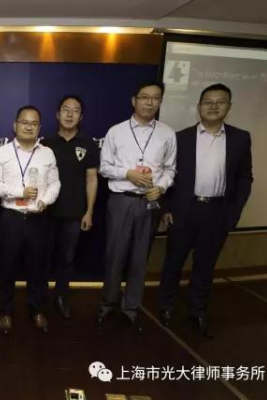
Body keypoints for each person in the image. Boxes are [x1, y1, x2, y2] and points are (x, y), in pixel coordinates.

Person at [158, 83, 253, 337]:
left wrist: (233, 213)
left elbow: (244, 178)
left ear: (229, 107)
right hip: (183, 210)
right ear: (198, 107)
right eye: (208, 102)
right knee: (173, 263)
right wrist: (166, 208)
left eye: (219, 102)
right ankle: (166, 307)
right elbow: (166, 174)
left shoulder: (240, 138)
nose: (213, 106)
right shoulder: (180, 138)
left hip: (217, 212)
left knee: (205, 266)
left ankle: (197, 311)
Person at [98, 81, 177, 334]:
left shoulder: (167, 134)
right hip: (121, 200)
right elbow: (104, 167)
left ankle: (131, 309)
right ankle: (107, 304)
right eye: (144, 97)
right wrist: (128, 173)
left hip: (149, 202)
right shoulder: (116, 131)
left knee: (140, 259)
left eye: (156, 98)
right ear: (134, 100)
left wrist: (161, 187)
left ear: (160, 101)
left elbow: (170, 169)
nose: (149, 102)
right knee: (114, 256)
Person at [0, 105, 61, 333]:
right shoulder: (2, 153)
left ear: (39, 127)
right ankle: (5, 312)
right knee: (7, 266)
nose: (29, 127)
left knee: (38, 267)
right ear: (15, 125)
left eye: (34, 123)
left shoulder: (47, 153)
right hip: (12, 218)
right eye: (24, 122)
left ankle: (36, 310)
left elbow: (55, 183)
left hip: (39, 218)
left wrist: (44, 201)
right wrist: (21, 192)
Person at [41, 95, 99, 319]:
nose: (70, 114)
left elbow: (92, 179)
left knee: (67, 259)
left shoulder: (88, 144)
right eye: (66, 109)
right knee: (43, 257)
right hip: (46, 212)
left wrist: (89, 212)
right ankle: (40, 298)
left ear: (81, 117)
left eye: (75, 110)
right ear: (57, 114)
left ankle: (61, 297)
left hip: (75, 214)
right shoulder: (45, 144)